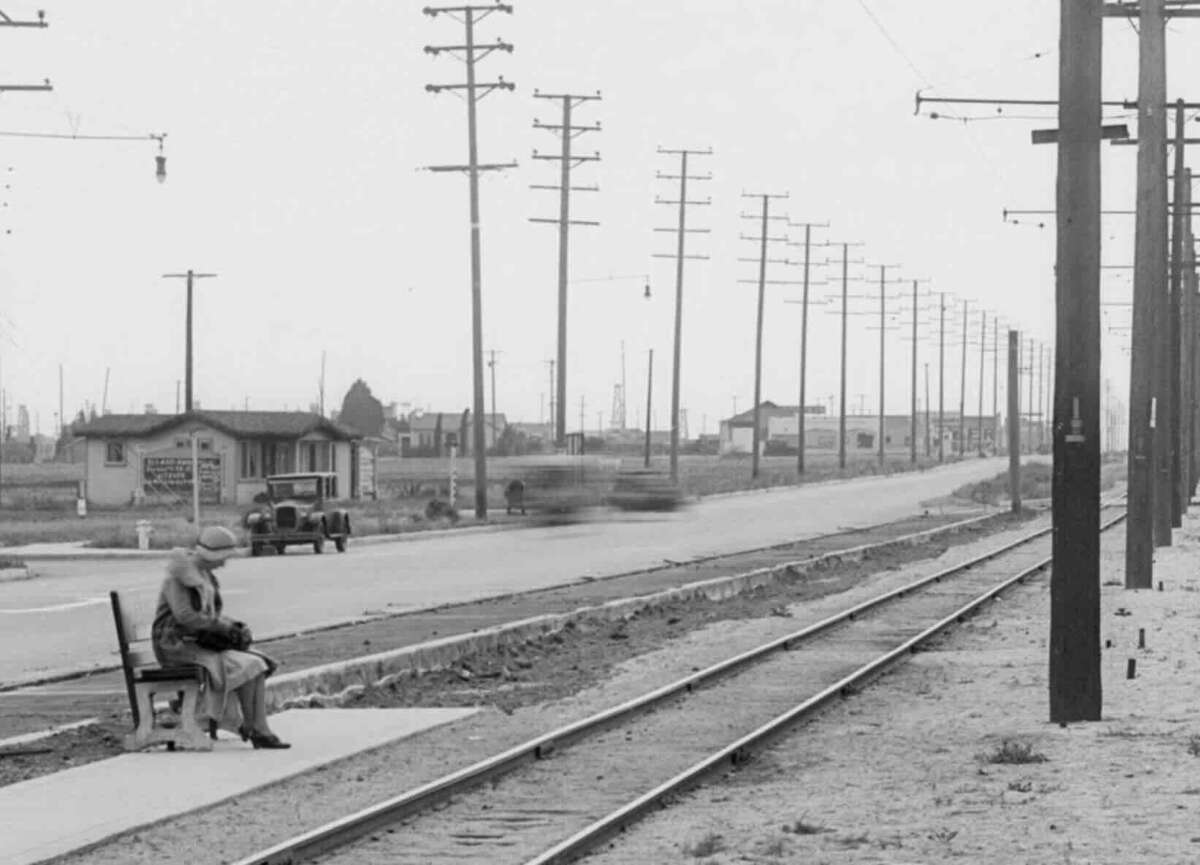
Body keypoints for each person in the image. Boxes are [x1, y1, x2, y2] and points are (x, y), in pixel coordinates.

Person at [152, 525, 290, 749]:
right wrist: (222, 627)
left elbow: (209, 617)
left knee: (257, 664)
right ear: (212, 555)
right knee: (251, 664)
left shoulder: (205, 575)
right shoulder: (179, 577)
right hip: (176, 646)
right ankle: (256, 729)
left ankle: (259, 728)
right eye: (224, 557)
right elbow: (185, 616)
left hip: (196, 642)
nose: (225, 563)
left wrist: (232, 625)